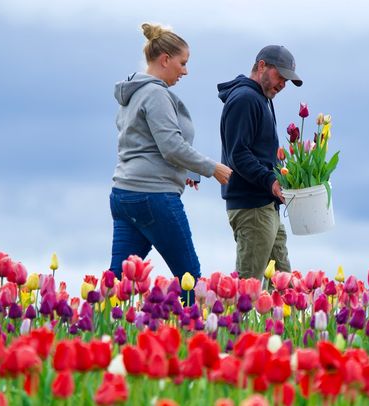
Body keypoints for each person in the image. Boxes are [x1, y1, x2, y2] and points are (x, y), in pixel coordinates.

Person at [109, 23, 232, 299]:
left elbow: (145, 144)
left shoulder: (132, 93)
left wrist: (185, 169)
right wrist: (212, 168)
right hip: (154, 197)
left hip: (123, 195)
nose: (185, 71)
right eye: (183, 63)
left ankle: (94, 334)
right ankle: (196, 338)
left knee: (117, 284)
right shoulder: (156, 94)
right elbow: (171, 146)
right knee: (189, 278)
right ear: (165, 59)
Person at [217, 45, 302, 279]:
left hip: (266, 205)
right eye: (280, 76)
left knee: (283, 284)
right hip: (252, 207)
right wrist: (271, 181)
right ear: (262, 66)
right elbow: (238, 154)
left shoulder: (260, 98)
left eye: (287, 80)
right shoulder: (245, 99)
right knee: (248, 287)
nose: (283, 84)